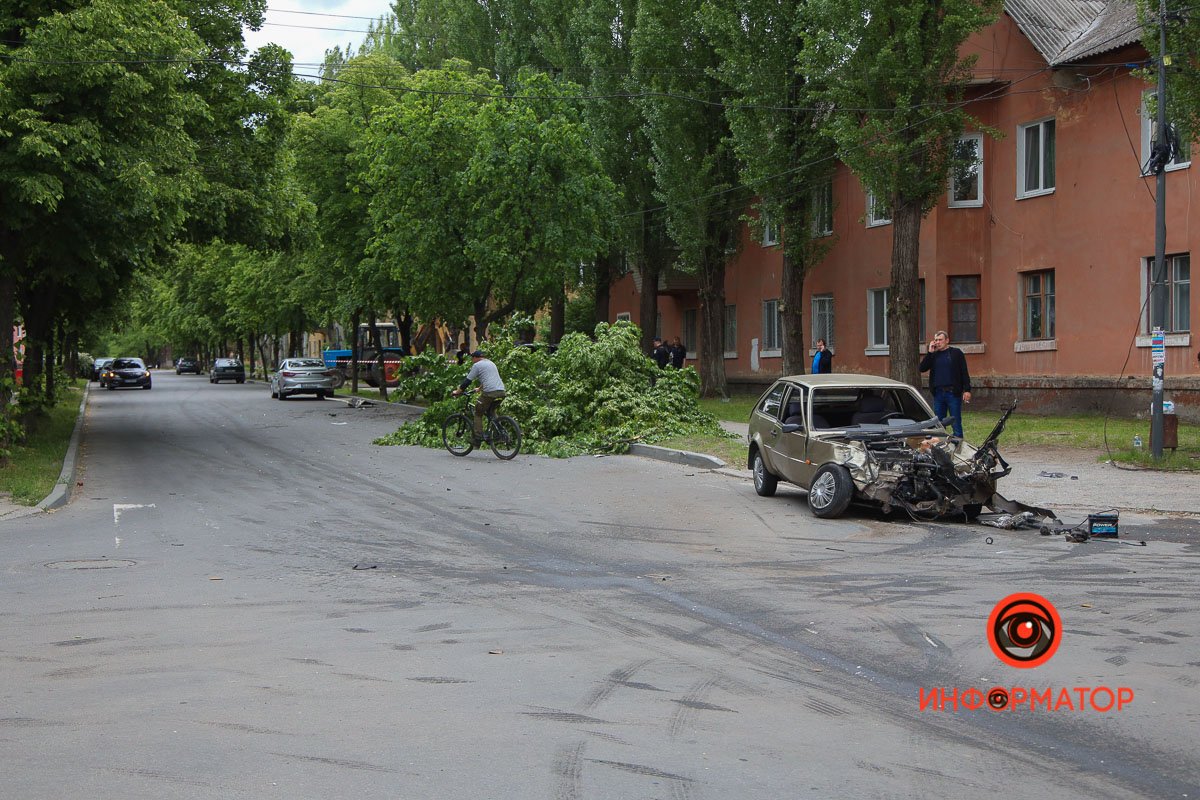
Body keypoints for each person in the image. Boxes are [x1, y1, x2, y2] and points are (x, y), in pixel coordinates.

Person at [919, 330, 972, 438]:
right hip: (938, 393)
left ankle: (958, 442)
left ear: (947, 340)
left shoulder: (956, 353)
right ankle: (940, 442)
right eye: (936, 340)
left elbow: (964, 372)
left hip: (953, 393)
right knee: (938, 423)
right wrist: (930, 352)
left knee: (955, 421)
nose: (938, 342)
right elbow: (922, 368)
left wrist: (967, 390)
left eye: (940, 340)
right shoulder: (933, 355)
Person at [451, 350, 507, 440]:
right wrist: (479, 389)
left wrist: (457, 392)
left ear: (475, 358)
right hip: (501, 391)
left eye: (472, 359)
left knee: (478, 412)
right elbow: (489, 379)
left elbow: (467, 381)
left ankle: (477, 438)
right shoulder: (491, 363)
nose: (472, 361)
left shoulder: (477, 365)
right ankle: (499, 433)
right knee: (491, 411)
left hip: (489, 393)